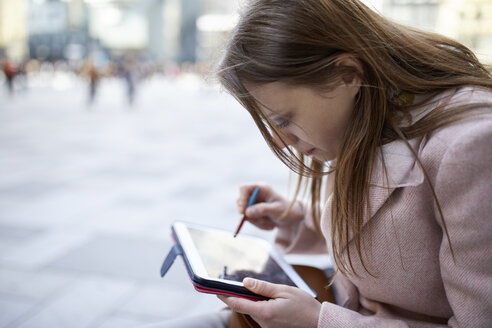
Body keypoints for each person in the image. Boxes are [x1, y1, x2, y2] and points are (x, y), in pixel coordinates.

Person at [147, 0, 492, 327]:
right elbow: (397, 231)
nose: (283, 142)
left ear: (346, 74)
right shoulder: (365, 111)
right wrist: (297, 215)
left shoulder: (471, 146)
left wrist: (319, 321)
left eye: (284, 120)